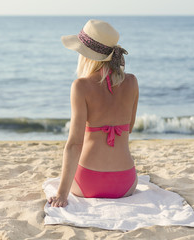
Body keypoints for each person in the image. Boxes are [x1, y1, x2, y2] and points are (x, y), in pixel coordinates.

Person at [48, 20, 139, 207]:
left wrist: (62, 194)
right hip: (126, 183)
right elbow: (129, 127)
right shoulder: (132, 82)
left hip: (88, 182)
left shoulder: (80, 86)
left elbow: (74, 144)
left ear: (86, 55)